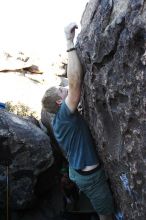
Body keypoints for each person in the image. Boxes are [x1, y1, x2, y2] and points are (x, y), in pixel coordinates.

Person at [43, 22, 115, 220]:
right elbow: (75, 85)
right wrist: (69, 40)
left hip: (80, 172)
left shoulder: (61, 118)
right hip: (91, 177)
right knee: (106, 214)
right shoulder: (65, 116)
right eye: (61, 90)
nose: (64, 88)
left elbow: (69, 86)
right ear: (59, 101)